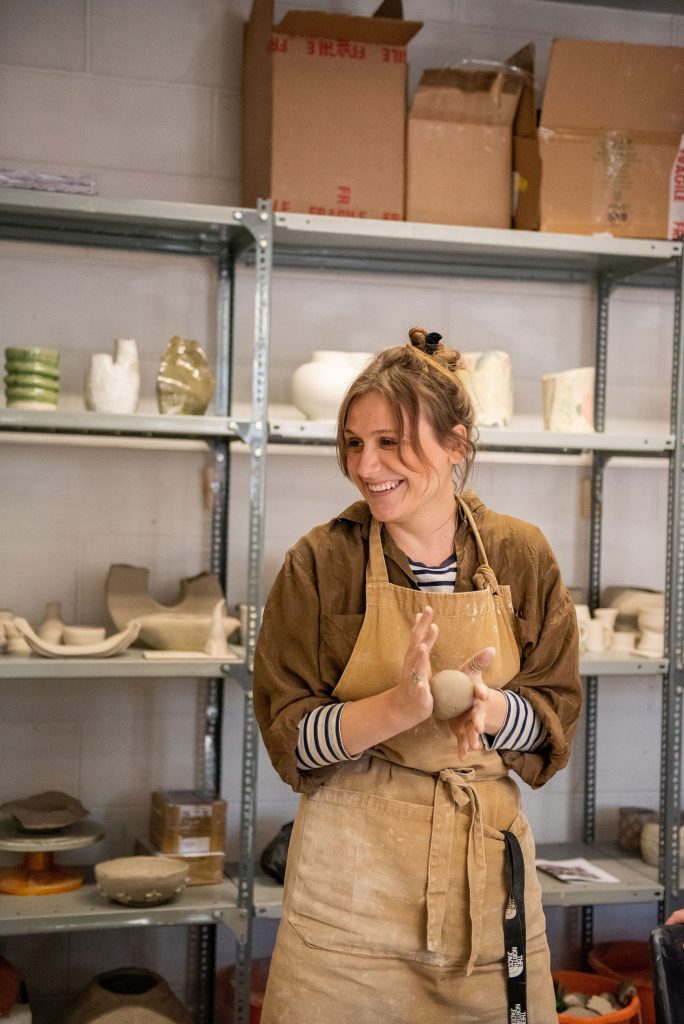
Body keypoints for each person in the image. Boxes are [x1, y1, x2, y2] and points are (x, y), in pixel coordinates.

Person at [254, 328, 582, 1024]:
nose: (366, 466)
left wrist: (490, 711)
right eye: (352, 443)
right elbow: (288, 737)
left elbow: (554, 715)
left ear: (456, 444)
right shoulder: (320, 562)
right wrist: (399, 707)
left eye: (390, 443)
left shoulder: (520, 555)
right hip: (348, 890)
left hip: (482, 890)